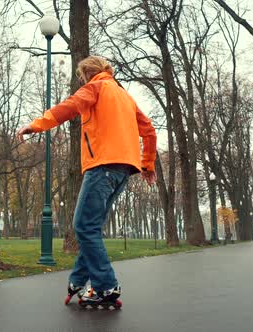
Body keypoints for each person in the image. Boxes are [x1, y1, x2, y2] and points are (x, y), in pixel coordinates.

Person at [17, 56, 157, 307]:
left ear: (87, 74)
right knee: (90, 227)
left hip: (102, 166)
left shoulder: (96, 87)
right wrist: (147, 165)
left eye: (82, 77)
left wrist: (36, 126)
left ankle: (105, 286)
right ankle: (79, 280)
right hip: (123, 170)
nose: (82, 80)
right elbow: (149, 129)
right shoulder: (125, 96)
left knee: (83, 226)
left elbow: (69, 106)